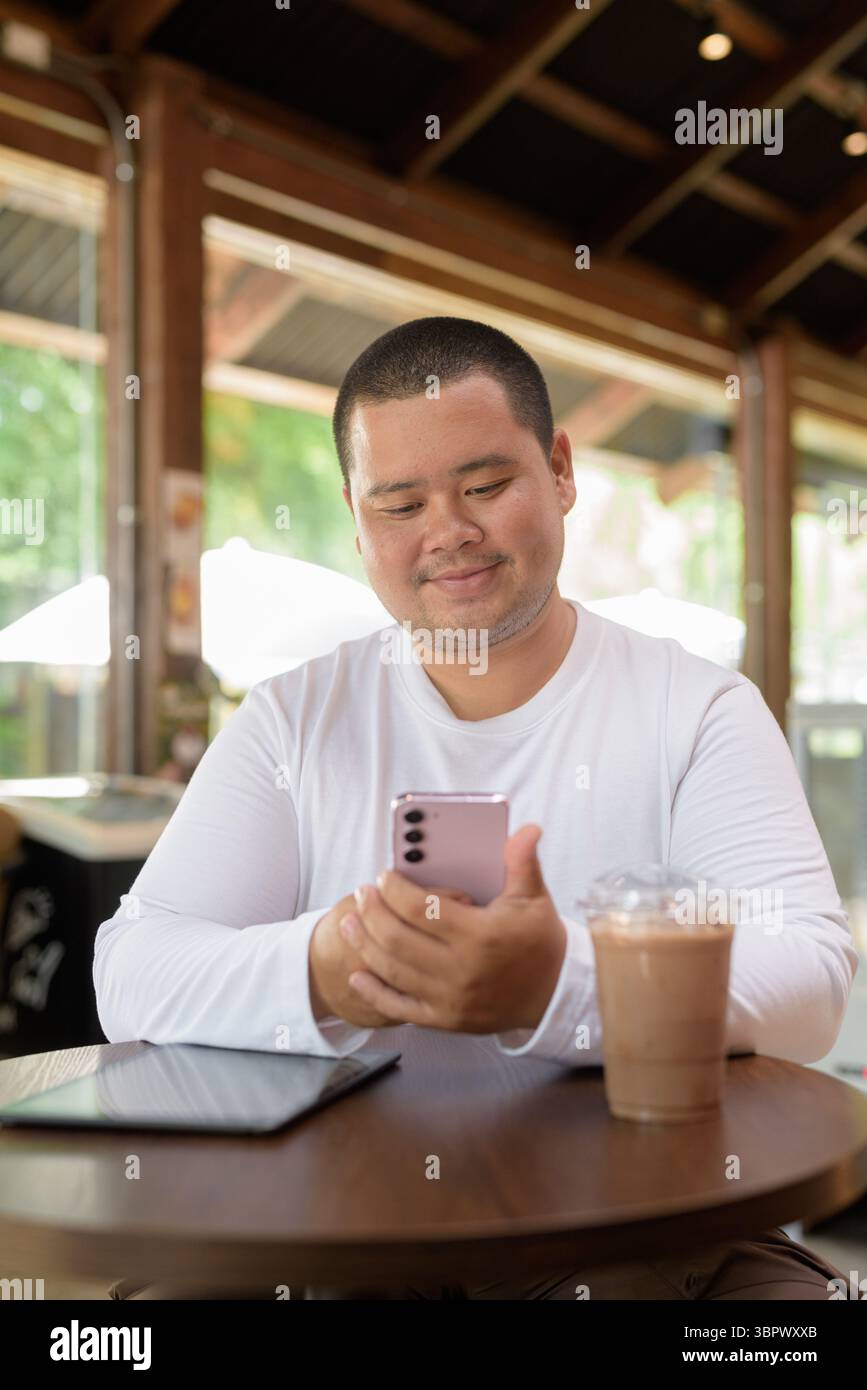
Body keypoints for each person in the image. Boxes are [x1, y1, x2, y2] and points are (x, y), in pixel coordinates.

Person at [97, 316, 858, 1300]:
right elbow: (135, 968)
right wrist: (327, 966)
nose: (448, 531)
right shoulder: (294, 717)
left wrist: (556, 982)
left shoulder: (694, 706)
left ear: (562, 471)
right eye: (401, 501)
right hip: (330, 1226)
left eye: (487, 487)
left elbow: (810, 972)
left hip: (648, 1225)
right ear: (355, 515)